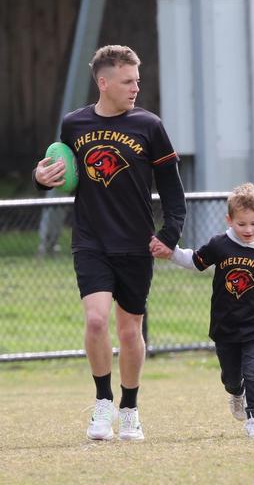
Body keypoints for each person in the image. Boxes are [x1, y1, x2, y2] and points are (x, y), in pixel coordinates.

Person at [33, 45, 186, 441]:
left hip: (136, 243)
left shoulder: (150, 126)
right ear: (104, 82)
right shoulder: (74, 124)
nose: (136, 87)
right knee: (97, 320)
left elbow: (172, 189)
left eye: (137, 80)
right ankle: (102, 403)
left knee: (129, 331)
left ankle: (130, 407)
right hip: (91, 240)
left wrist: (169, 234)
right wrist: (40, 176)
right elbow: (60, 171)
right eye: (128, 81)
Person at [150, 182, 254, 438]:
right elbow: (195, 261)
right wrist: (171, 253)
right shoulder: (220, 245)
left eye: (253, 224)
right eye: (242, 224)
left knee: (253, 370)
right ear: (229, 220)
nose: (248, 230)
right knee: (232, 379)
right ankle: (236, 393)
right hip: (226, 325)